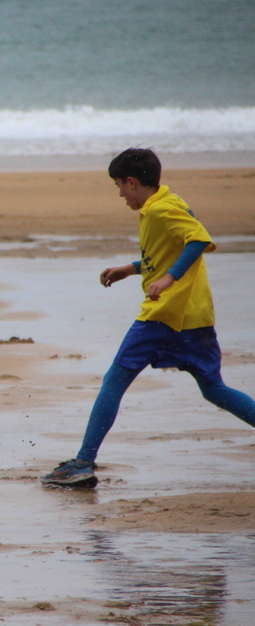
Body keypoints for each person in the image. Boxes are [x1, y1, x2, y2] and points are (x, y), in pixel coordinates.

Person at [42, 148, 255, 487]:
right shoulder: (169, 201)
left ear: (132, 181)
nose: (120, 194)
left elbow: (198, 240)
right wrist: (132, 268)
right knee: (214, 389)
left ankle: (83, 463)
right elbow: (168, 251)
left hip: (162, 316)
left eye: (119, 186)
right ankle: (83, 461)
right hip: (195, 316)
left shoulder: (158, 209)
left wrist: (169, 279)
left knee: (114, 381)